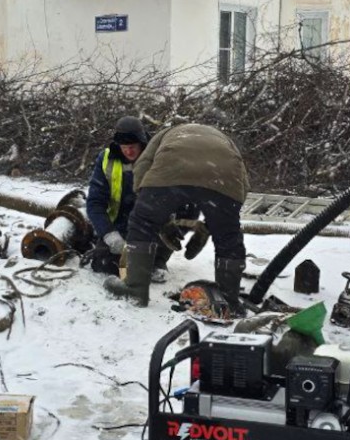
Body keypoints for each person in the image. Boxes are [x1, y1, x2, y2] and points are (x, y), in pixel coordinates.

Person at [104, 123, 249, 311]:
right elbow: (242, 186)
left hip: (170, 171)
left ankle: (135, 290)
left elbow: (142, 168)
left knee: (141, 222)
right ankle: (229, 300)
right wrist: (216, 224)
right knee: (229, 238)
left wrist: (151, 212)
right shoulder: (225, 141)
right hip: (223, 176)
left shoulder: (165, 135)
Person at [85, 116, 175, 280]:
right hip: (118, 226)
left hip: (151, 226)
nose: (129, 151)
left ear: (142, 142)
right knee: (103, 264)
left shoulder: (159, 158)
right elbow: (94, 203)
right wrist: (109, 234)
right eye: (124, 146)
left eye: (133, 146)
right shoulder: (105, 159)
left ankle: (158, 260)